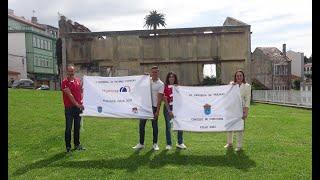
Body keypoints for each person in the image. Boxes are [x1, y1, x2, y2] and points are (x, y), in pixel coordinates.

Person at [133, 66, 164, 151]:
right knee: (141, 126)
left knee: (154, 126)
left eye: (156, 72)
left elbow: (160, 99)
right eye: (153, 72)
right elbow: (139, 84)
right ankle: (141, 143)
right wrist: (143, 77)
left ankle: (155, 144)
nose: (154, 74)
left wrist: (157, 111)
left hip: (153, 108)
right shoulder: (147, 80)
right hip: (145, 106)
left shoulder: (161, 84)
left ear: (158, 72)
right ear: (151, 72)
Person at [224, 70, 251, 152]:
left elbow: (247, 100)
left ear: (243, 77)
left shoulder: (247, 86)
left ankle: (239, 146)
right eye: (237, 76)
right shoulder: (231, 84)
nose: (239, 77)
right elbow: (227, 93)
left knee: (239, 128)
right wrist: (231, 85)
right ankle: (229, 143)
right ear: (235, 77)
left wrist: (246, 111)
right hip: (231, 109)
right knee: (230, 126)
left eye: (240, 76)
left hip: (241, 109)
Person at [61, 64, 86, 153]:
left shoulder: (78, 81)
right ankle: (68, 147)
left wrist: (82, 103)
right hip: (69, 109)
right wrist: (77, 104)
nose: (71, 73)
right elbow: (70, 95)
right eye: (69, 71)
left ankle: (77, 145)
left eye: (72, 71)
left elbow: (81, 92)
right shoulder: (64, 82)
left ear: (74, 72)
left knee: (77, 127)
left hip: (78, 109)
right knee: (68, 128)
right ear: (67, 72)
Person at [163, 72, 187, 150]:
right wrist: (169, 110)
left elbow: (182, 98)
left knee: (180, 125)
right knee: (168, 126)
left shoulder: (178, 87)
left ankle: (180, 143)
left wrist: (178, 89)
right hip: (168, 108)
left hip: (177, 108)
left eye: (173, 77)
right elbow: (165, 99)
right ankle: (169, 144)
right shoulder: (165, 87)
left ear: (175, 78)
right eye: (170, 77)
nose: (171, 78)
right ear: (168, 78)